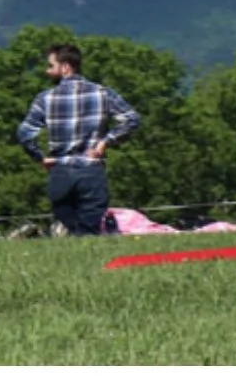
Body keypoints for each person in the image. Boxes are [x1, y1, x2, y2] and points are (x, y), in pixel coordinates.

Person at [16, 42, 142, 236]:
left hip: (60, 171)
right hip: (91, 169)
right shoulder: (103, 93)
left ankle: (50, 240)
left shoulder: (45, 98)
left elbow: (24, 133)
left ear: (65, 67)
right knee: (89, 230)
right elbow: (132, 119)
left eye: (51, 65)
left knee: (70, 225)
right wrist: (105, 142)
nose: (47, 70)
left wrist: (40, 157)